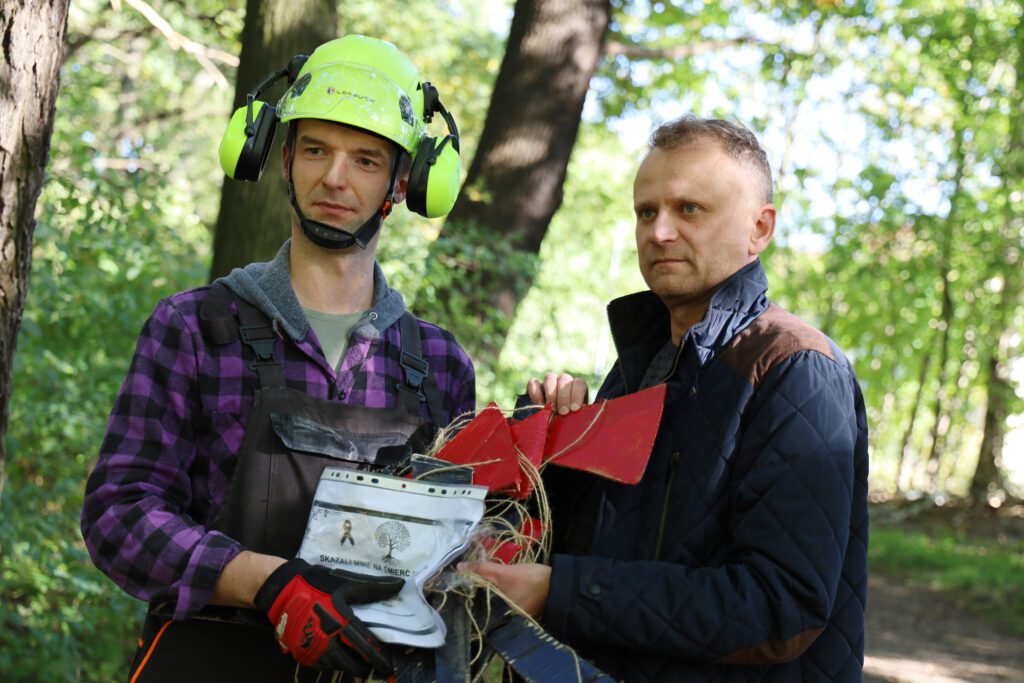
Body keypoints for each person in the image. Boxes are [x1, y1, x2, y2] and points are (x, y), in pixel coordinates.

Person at [81, 35, 475, 682]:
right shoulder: (196, 327)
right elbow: (118, 512)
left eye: (366, 159)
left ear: (405, 182)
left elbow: (456, 561)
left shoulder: (438, 365)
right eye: (315, 149)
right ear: (282, 156)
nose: (335, 178)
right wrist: (264, 582)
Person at [472, 116, 869, 681]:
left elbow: (781, 603)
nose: (658, 232)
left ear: (760, 228)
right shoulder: (643, 364)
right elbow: (616, 546)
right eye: (646, 211)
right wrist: (552, 443)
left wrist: (564, 592)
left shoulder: (794, 366)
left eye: (689, 209)